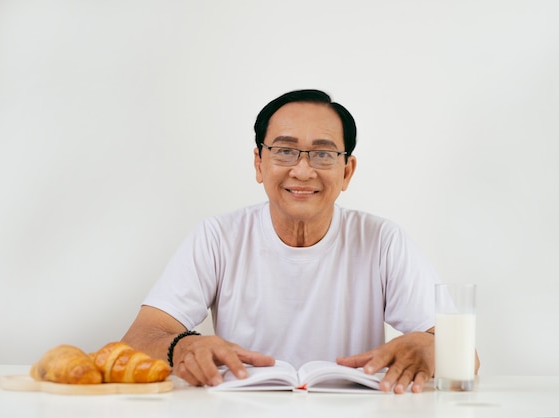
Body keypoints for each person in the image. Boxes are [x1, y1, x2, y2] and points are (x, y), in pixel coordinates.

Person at [121, 89, 479, 394]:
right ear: (259, 163)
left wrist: (433, 346)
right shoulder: (218, 236)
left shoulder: (382, 240)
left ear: (346, 171)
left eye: (323, 154)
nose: (303, 170)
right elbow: (138, 339)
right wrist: (182, 345)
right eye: (285, 151)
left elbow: (469, 358)